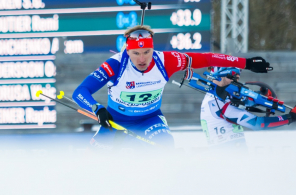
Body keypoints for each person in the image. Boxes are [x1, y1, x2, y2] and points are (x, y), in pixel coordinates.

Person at [72, 25, 272, 148]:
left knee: (164, 147)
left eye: (147, 52)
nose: (142, 59)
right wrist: (97, 109)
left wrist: (246, 63)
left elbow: (206, 58)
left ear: (152, 48)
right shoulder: (115, 64)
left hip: (149, 120)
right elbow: (80, 92)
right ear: (127, 51)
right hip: (115, 122)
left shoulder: (166, 60)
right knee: (94, 166)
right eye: (136, 54)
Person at [200, 67, 296, 148]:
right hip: (228, 156)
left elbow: (244, 101)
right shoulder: (214, 102)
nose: (236, 82)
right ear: (220, 76)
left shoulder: (220, 97)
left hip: (232, 153)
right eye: (233, 78)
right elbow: (258, 124)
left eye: (237, 78)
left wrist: (262, 94)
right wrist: (290, 117)